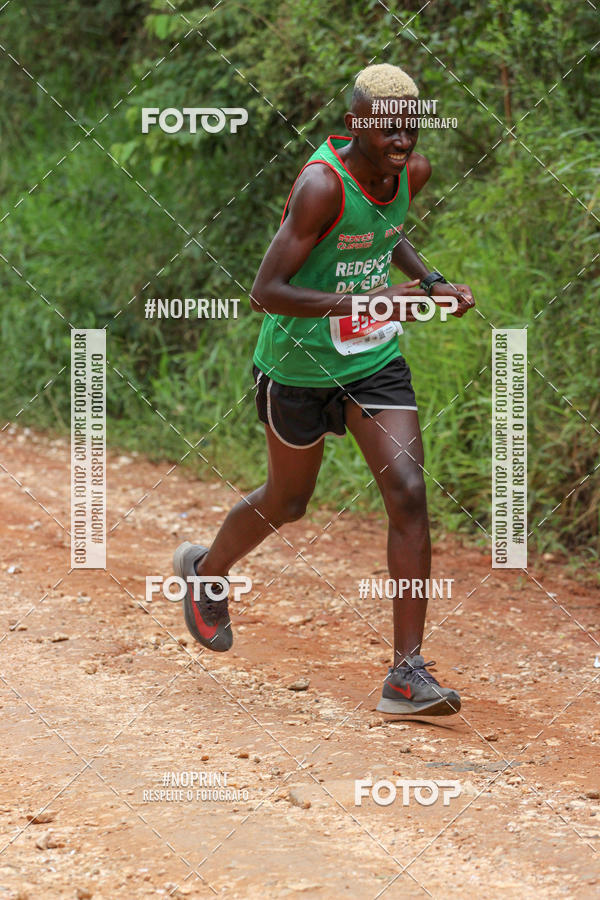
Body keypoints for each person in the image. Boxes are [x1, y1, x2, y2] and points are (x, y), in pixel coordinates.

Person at [173, 63, 475, 716]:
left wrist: (430, 283)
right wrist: (370, 298)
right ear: (354, 124)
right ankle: (206, 570)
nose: (401, 139)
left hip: (373, 363)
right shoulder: (320, 186)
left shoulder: (411, 173)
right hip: (298, 367)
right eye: (387, 128)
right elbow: (266, 292)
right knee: (288, 502)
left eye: (411, 127)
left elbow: (387, 232)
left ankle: (406, 673)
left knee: (409, 491)